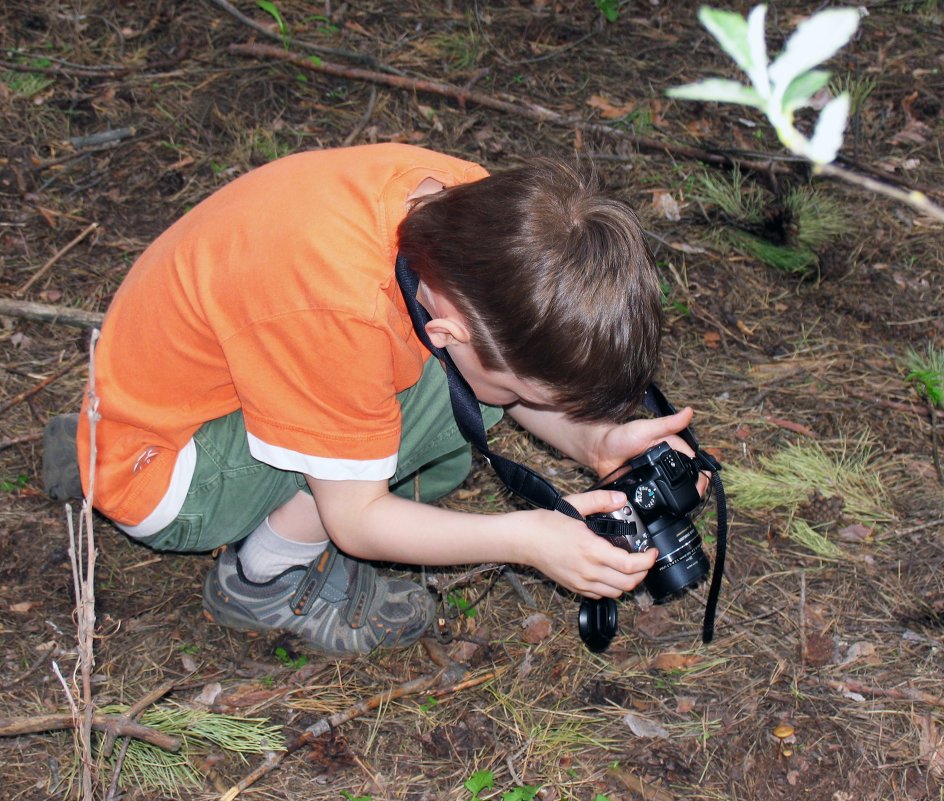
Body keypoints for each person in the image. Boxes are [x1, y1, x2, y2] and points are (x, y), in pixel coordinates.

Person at [48, 143, 701, 657]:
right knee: (443, 408)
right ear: (450, 334)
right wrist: (527, 538)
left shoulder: (472, 214)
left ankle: (101, 444)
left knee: (452, 403)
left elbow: (493, 357)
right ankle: (264, 579)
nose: (531, 406)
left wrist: (594, 441)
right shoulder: (340, 308)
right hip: (161, 472)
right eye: (529, 394)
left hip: (179, 386)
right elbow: (355, 520)